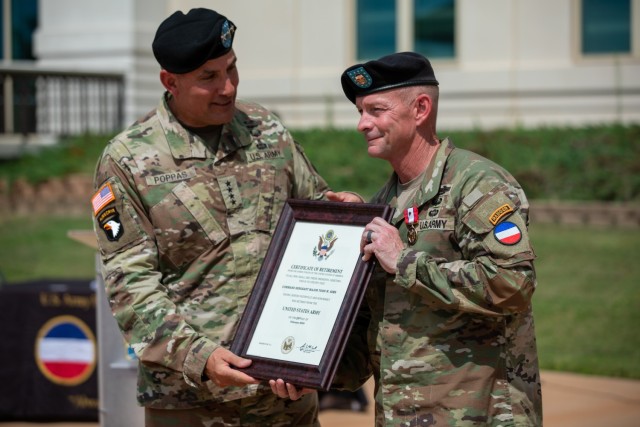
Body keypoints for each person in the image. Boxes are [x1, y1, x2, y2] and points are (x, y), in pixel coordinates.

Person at [90, 8, 350, 426]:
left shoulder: (266, 130)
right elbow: (129, 285)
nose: (227, 88)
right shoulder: (128, 160)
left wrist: (343, 213)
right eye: (208, 77)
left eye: (231, 69)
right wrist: (200, 356)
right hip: (191, 401)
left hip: (282, 395)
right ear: (169, 82)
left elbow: (317, 219)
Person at [332, 52, 543, 426]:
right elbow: (374, 326)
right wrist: (312, 371)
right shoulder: (384, 204)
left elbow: (514, 283)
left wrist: (405, 262)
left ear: (421, 109)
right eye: (360, 112)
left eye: (376, 110)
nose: (363, 124)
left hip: (478, 415)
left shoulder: (476, 184)